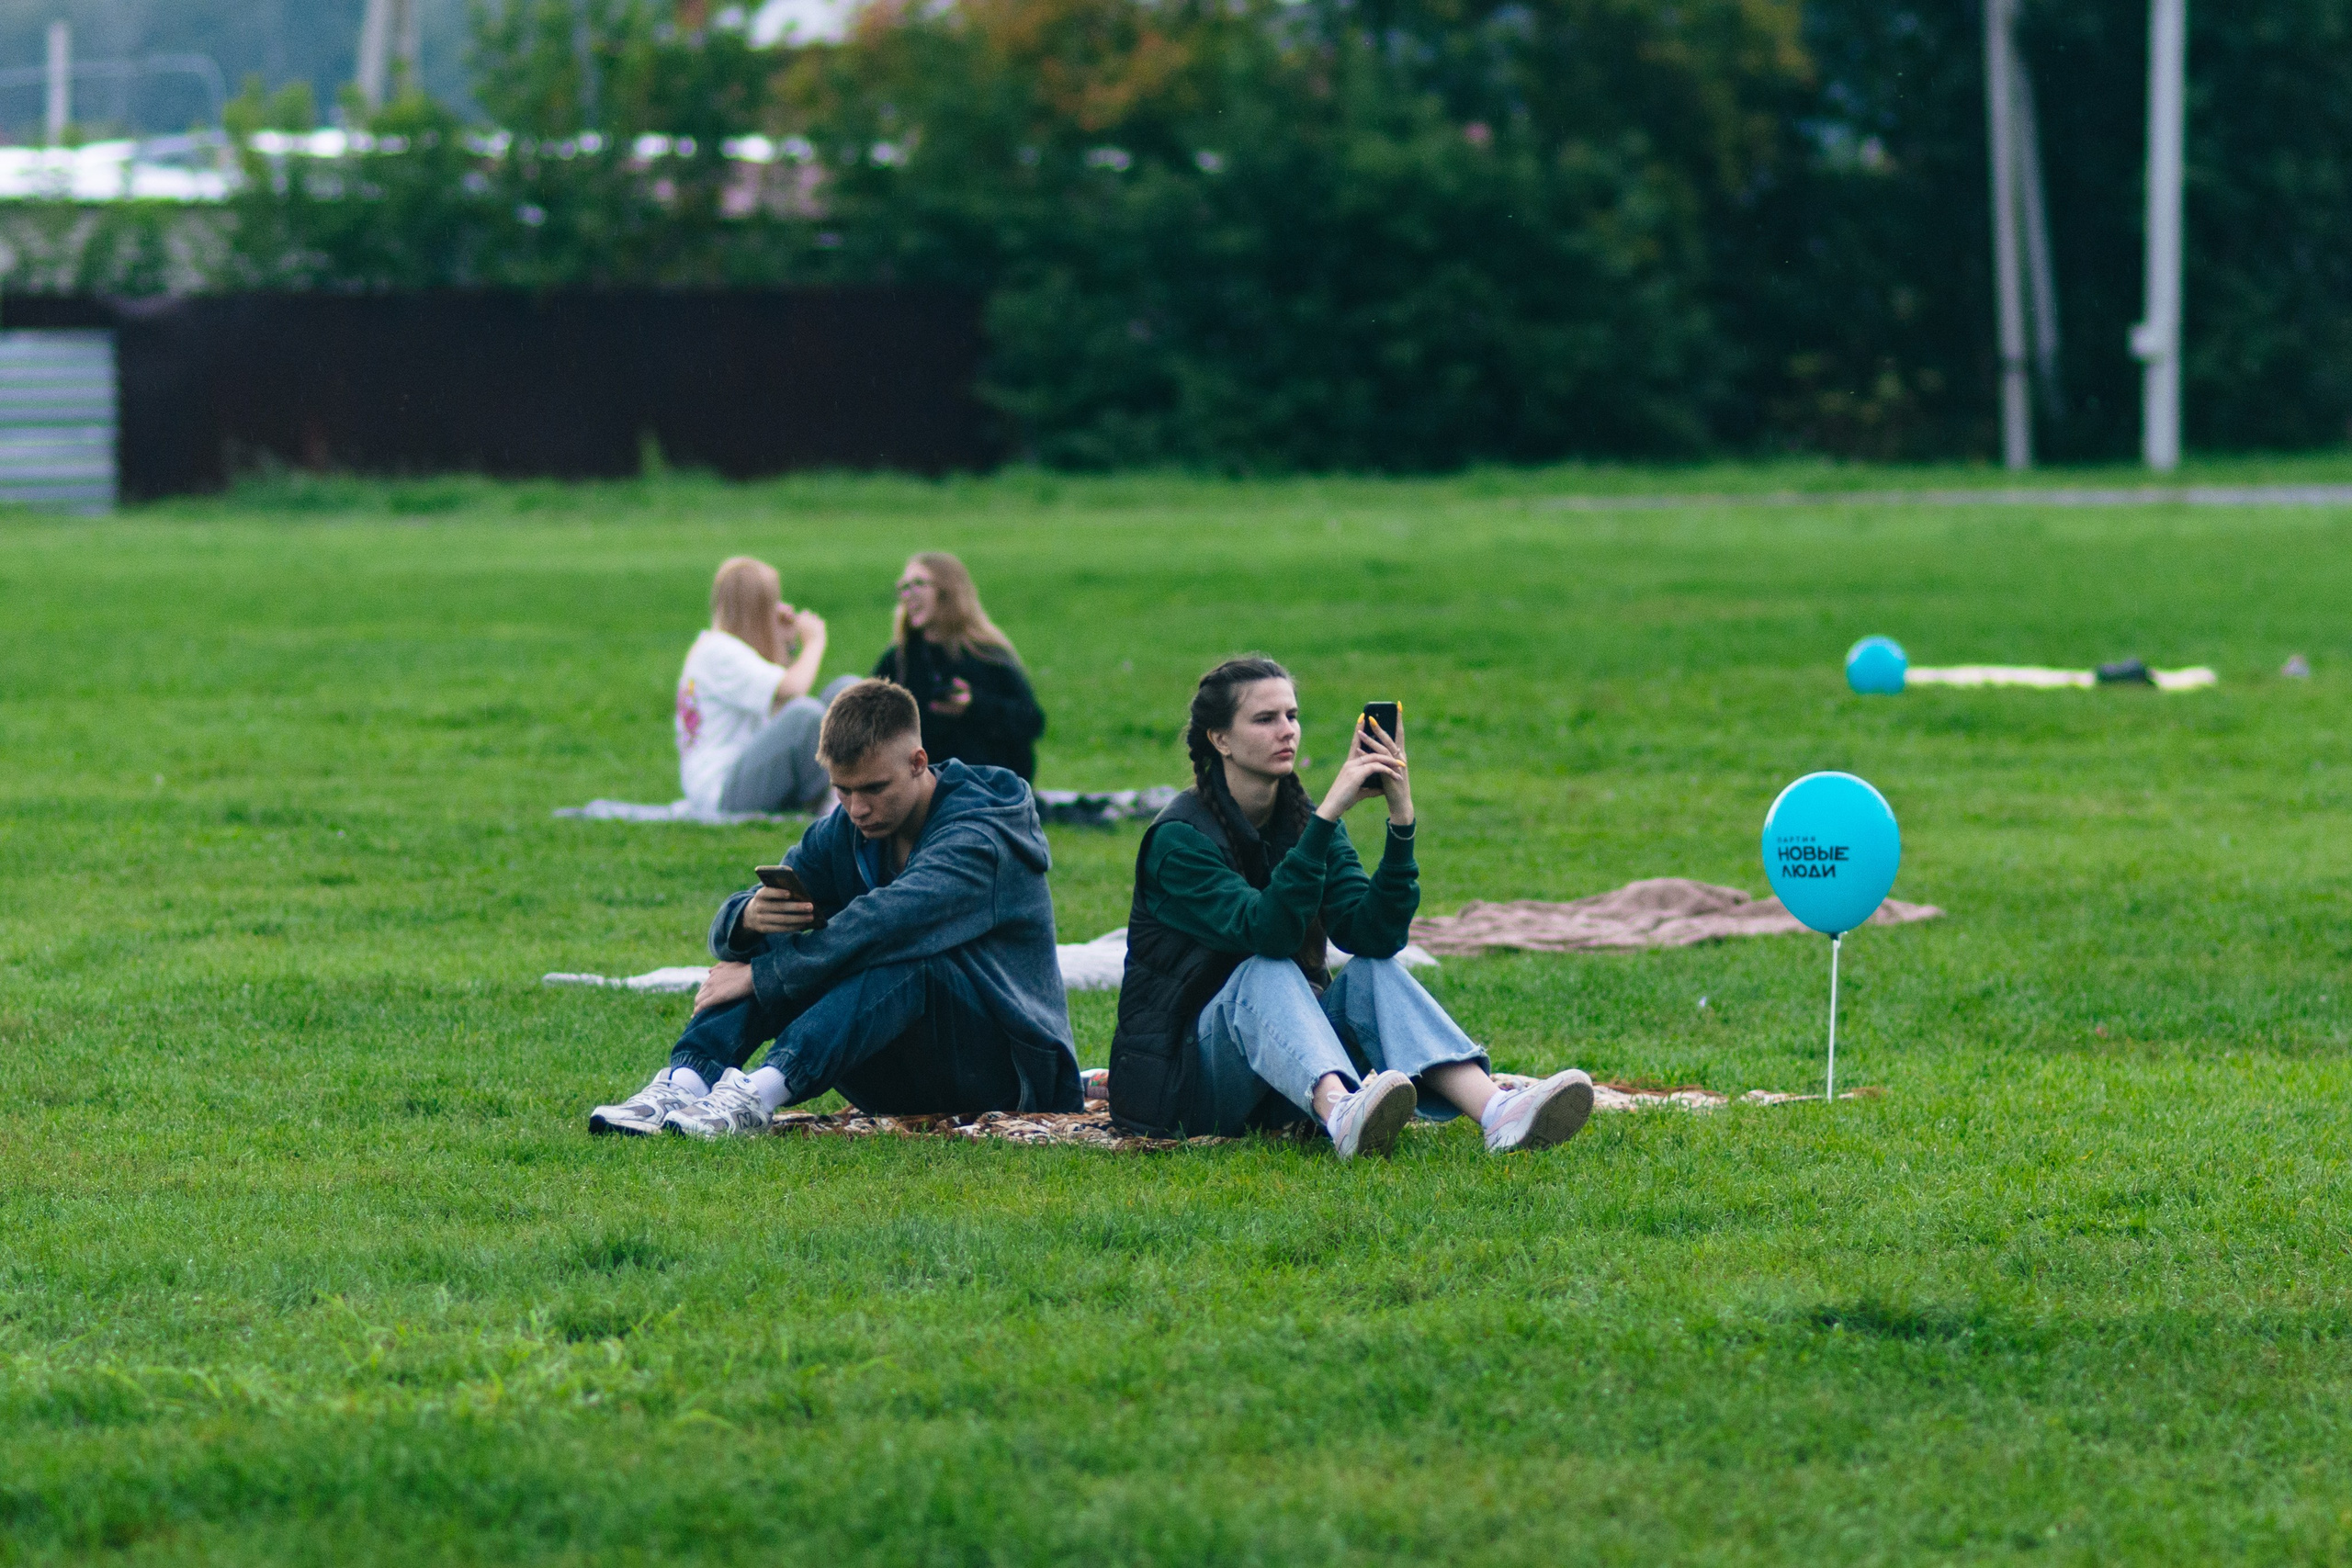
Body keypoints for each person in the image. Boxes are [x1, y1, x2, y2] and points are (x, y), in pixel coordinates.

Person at [1108, 656, 1594, 1157]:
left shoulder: (1303, 820)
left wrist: (1401, 817)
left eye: (1292, 716)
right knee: (1265, 969)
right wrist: (1325, 819)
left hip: (1284, 1072)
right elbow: (1268, 933)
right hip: (1181, 1088)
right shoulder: (1179, 841)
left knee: (1372, 972)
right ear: (1221, 740)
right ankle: (1341, 1112)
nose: (1286, 731)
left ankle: (1498, 1112)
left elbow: (1373, 937)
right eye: (1265, 719)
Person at [591, 678, 1084, 1138]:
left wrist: (764, 977)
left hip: (1011, 1074)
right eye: (842, 790)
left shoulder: (980, 838)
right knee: (783, 924)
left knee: (901, 957)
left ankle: (757, 1095)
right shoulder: (848, 830)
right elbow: (767, 909)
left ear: (918, 762)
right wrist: (747, 919)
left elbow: (887, 923)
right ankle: (685, 1081)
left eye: (873, 788)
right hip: (904, 1074)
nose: (857, 808)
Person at [676, 556, 855, 816]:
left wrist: (785, 643)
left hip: (740, 776)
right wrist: (814, 642)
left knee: (846, 693)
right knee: (805, 716)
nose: (779, 609)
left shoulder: (720, 648)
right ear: (757, 608)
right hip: (721, 792)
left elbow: (778, 701)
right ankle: (836, 801)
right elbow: (793, 690)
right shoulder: (719, 652)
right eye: (772, 602)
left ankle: (854, 791)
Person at [874, 552, 1046, 782]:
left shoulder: (985, 655)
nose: (910, 594)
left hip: (986, 779)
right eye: (905, 587)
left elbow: (1031, 722)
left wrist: (973, 705)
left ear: (948, 592)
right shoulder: (900, 659)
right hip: (923, 780)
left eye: (919, 584)